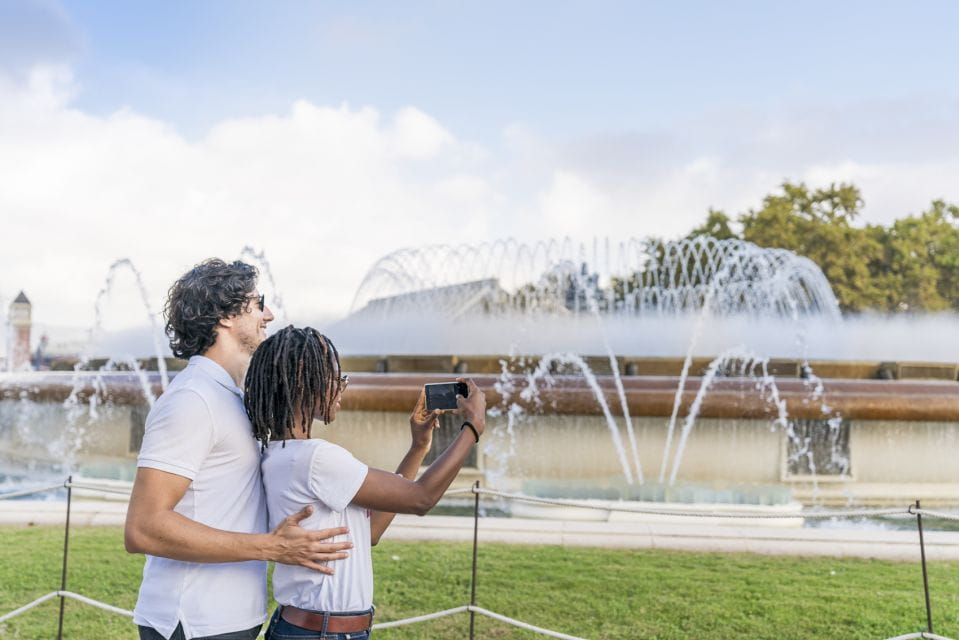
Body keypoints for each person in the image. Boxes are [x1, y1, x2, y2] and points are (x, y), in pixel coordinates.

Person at [124, 259, 353, 640]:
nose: (269, 314)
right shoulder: (192, 399)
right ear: (226, 315)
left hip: (228, 620)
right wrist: (271, 547)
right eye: (257, 302)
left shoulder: (230, 395)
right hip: (194, 622)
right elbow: (143, 527)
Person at [244, 326, 486, 640]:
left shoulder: (282, 454)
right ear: (306, 382)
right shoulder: (316, 458)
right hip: (321, 633)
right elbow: (421, 499)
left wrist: (418, 447)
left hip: (318, 629)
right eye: (336, 377)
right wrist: (473, 427)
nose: (342, 386)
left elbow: (369, 533)